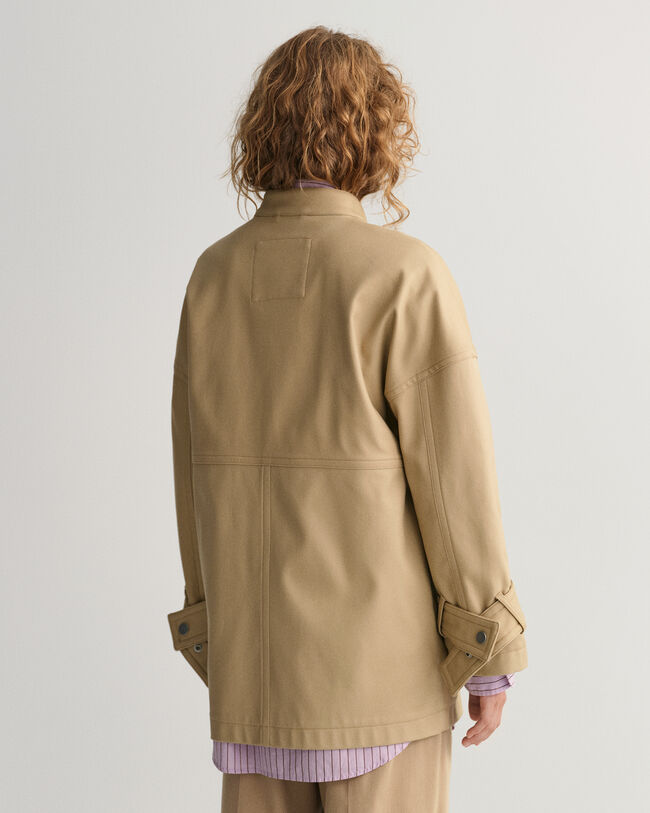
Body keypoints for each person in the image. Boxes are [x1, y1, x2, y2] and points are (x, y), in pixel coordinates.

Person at [166, 25, 528, 813]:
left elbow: (193, 481)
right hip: (381, 688)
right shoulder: (404, 274)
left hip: (254, 687)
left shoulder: (212, 277)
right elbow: (455, 482)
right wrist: (489, 645)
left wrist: (211, 631)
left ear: (263, 126)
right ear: (376, 129)